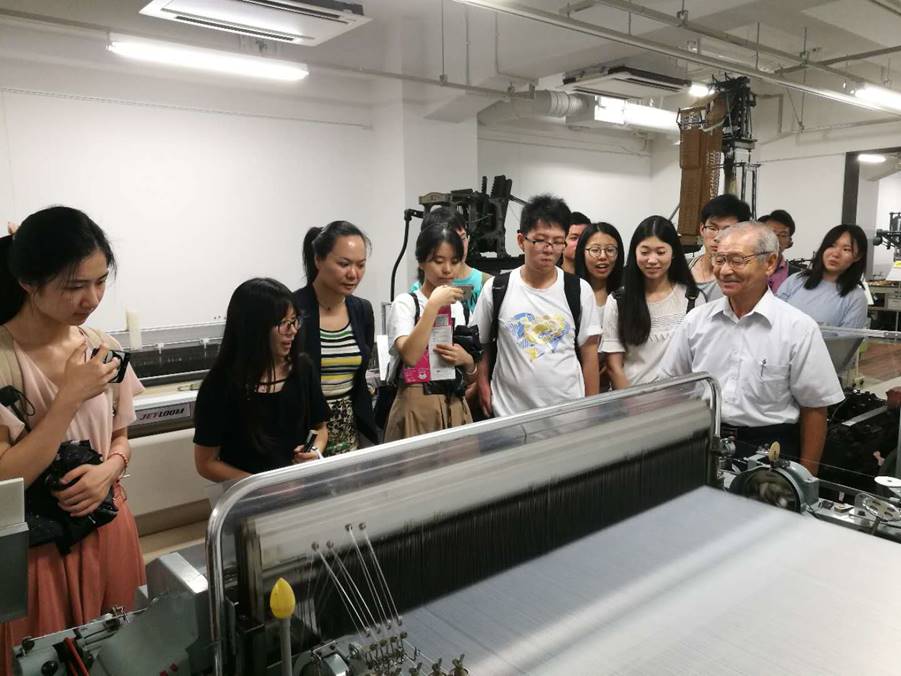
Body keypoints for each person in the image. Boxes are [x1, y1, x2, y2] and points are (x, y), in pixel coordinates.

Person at [0, 207, 145, 676]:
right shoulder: (4, 359)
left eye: (100, 282)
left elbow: (120, 437)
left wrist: (110, 470)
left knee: (125, 655)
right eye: (74, 286)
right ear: (28, 282)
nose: (92, 298)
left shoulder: (103, 347)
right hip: (36, 550)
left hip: (109, 524)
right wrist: (68, 398)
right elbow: (6, 478)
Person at [660, 222, 844, 474]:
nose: (725, 270)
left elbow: (814, 408)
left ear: (770, 263)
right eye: (719, 259)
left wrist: (805, 479)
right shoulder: (696, 321)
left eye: (737, 260)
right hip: (703, 440)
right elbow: (672, 389)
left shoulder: (798, 328)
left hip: (769, 450)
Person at [471, 194, 601, 418]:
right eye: (540, 240)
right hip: (509, 415)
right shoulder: (497, 289)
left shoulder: (579, 290)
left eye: (558, 241)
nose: (549, 249)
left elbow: (589, 354)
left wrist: (592, 409)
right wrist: (483, 382)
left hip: (568, 416)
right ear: (521, 240)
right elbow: (481, 344)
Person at [194, 278, 330, 480]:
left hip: (300, 486)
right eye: (283, 323)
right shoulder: (220, 385)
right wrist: (262, 486)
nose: (293, 330)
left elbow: (320, 428)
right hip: (250, 493)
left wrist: (314, 451)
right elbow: (206, 463)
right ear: (253, 328)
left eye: (294, 321)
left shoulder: (302, 368)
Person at [385, 225, 477, 441]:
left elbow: (473, 373)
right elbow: (410, 355)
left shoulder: (460, 308)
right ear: (421, 261)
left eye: (454, 261)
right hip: (416, 405)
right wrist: (433, 306)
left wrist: (466, 360)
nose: (447, 269)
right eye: (438, 261)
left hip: (454, 403)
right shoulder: (406, 303)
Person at [294, 221, 377, 455]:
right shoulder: (293, 309)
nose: (353, 274)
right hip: (304, 437)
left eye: (361, 265)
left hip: (350, 436)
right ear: (318, 260)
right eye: (344, 264)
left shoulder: (362, 310)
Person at [602, 216, 704, 389]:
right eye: (645, 252)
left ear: (673, 253)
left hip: (680, 399)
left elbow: (698, 359)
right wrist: (633, 401)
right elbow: (613, 366)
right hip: (632, 398)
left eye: (660, 252)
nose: (652, 260)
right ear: (635, 253)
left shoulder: (692, 299)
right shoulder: (618, 301)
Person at [777, 224, 869, 328]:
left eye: (846, 249)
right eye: (832, 245)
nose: (835, 254)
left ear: (858, 256)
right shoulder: (796, 280)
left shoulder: (856, 298)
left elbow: (847, 338)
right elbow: (773, 318)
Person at [574, 222, 624, 390]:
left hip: (618, 383)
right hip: (578, 383)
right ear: (582, 252)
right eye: (595, 250)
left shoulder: (625, 294)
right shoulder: (571, 293)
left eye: (610, 250)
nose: (603, 256)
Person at [411, 207, 490, 313]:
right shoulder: (417, 292)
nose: (460, 248)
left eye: (463, 238)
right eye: (451, 241)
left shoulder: (486, 283)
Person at [689, 194, 751, 301]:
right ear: (702, 229)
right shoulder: (680, 269)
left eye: (727, 230)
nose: (718, 237)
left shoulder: (742, 279)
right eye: (712, 228)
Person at [760, 210, 803, 292]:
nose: (776, 239)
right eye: (771, 233)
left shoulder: (796, 276)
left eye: (783, 235)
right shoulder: (745, 267)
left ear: (789, 241)